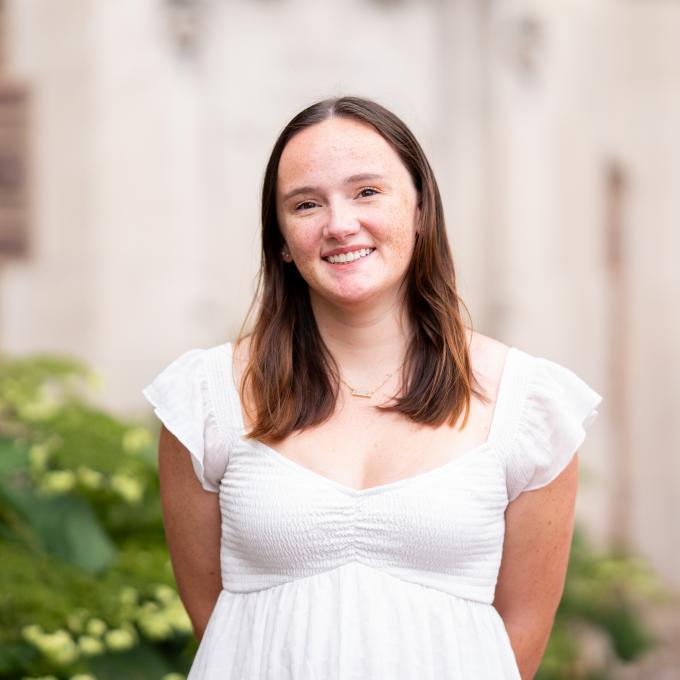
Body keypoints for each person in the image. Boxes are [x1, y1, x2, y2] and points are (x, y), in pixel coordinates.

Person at [142, 96, 603, 680]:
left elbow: (521, 636)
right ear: (282, 240)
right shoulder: (205, 400)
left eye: (366, 192)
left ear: (420, 209)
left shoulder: (529, 405)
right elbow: (217, 625)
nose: (339, 224)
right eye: (306, 204)